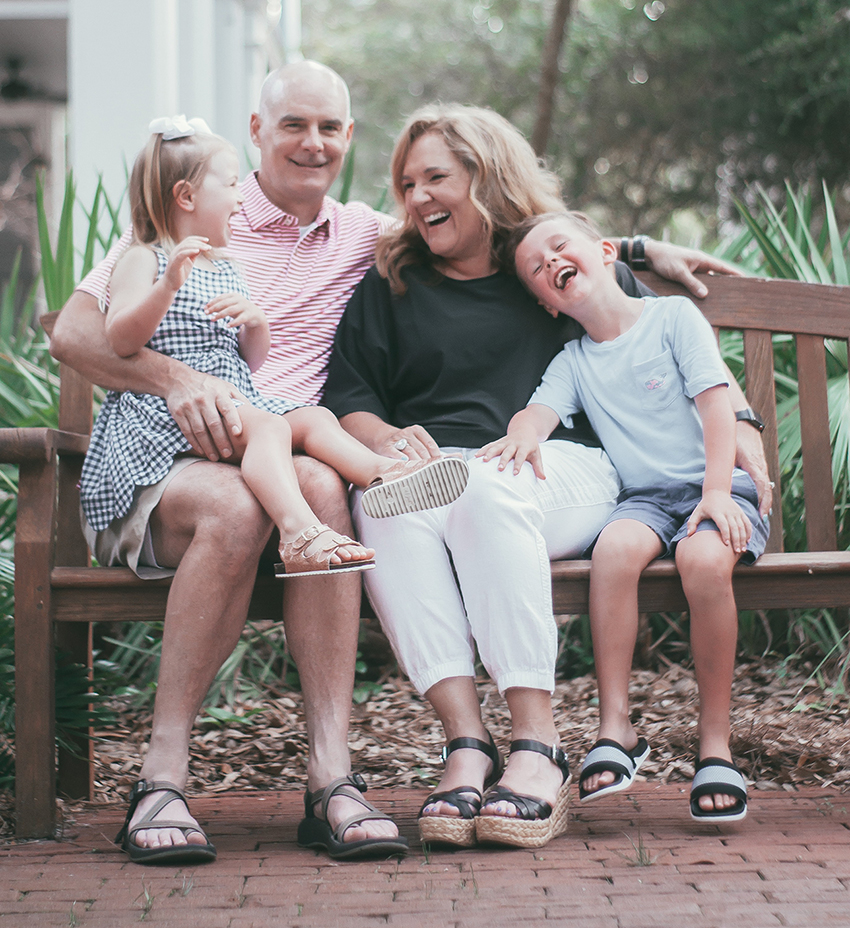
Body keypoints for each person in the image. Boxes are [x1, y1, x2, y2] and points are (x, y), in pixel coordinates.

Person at [322, 104, 772, 850]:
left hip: (559, 467)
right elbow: (351, 396)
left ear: (486, 177)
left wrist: (744, 421)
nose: (418, 197)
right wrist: (390, 440)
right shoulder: (392, 282)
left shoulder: (542, 270)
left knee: (484, 485)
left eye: (438, 176)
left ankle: (538, 746)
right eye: (407, 183)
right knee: (384, 504)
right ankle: (467, 743)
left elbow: (653, 333)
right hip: (435, 468)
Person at [51, 63, 409, 863]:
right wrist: (177, 381)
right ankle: (163, 776)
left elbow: (501, 228)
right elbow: (75, 335)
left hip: (281, 450)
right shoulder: (192, 214)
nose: (311, 143)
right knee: (239, 505)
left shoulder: (360, 232)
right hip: (167, 465)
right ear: (257, 131)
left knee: (318, 485)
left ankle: (330, 777)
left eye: (328, 128)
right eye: (293, 125)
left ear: (348, 138)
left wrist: (634, 249)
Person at [82, 117, 466, 588]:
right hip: (167, 416)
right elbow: (120, 339)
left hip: (233, 399)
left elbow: (250, 363)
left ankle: (382, 475)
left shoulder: (223, 264)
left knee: (313, 418)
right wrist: (166, 286)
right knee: (269, 428)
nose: (240, 197)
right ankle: (298, 530)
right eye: (229, 185)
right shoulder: (146, 257)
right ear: (186, 197)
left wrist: (256, 324)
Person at [483, 210, 771, 823]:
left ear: (605, 251)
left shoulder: (672, 318)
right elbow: (538, 413)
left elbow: (717, 408)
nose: (550, 263)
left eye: (560, 247)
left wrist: (716, 493)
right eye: (536, 268)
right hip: (644, 500)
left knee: (700, 559)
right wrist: (520, 435)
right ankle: (617, 728)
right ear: (547, 304)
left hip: (717, 487)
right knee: (611, 551)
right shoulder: (574, 360)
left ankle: (715, 744)